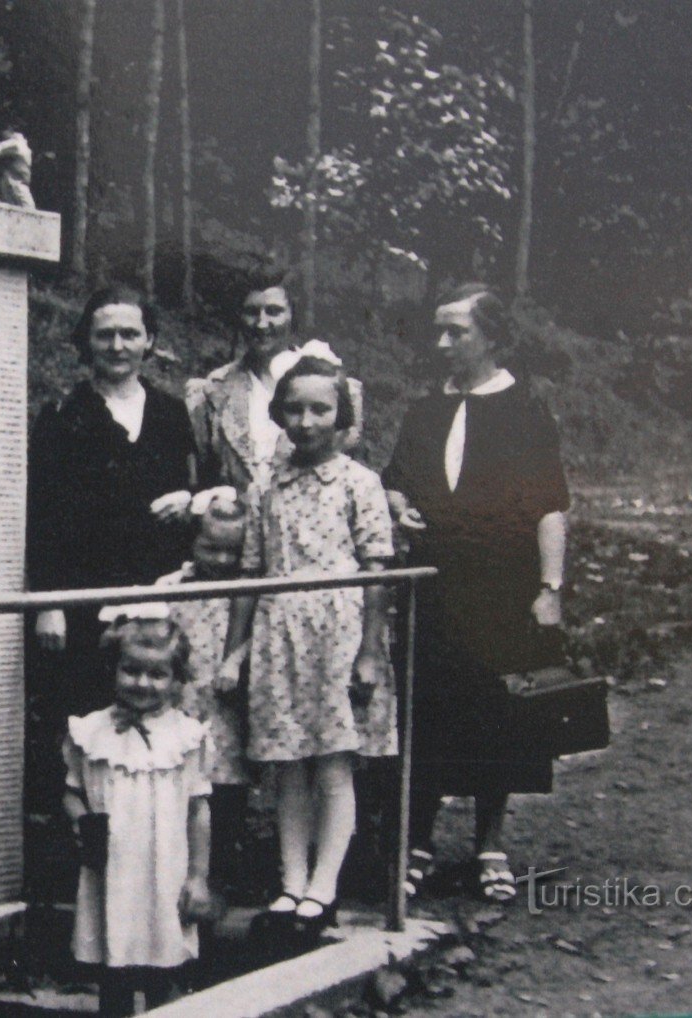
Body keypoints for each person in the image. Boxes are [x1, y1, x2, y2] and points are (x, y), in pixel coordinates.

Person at [381, 282, 571, 903]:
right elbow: (395, 481)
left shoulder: (526, 409)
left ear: (492, 336)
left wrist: (550, 588)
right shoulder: (423, 411)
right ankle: (419, 843)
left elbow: (549, 505)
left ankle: (490, 842)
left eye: (455, 332)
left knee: (498, 713)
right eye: (437, 331)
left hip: (501, 587)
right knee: (427, 711)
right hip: (432, 587)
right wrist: (399, 506)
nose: (441, 344)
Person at [25, 284, 197, 897]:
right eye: (105, 334)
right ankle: (87, 881)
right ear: (85, 343)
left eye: (130, 333)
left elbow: (203, 502)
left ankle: (160, 877)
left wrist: (194, 504)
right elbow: (40, 517)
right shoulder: (64, 417)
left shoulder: (174, 415)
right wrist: (46, 603)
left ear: (149, 341)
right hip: (82, 601)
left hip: (158, 596)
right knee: (91, 732)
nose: (118, 345)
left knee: (159, 726)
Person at [221, 347, 396, 933]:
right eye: (293, 409)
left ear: (341, 415)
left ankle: (324, 889)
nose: (307, 422)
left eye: (321, 409)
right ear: (279, 414)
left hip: (339, 634)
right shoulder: (267, 484)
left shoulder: (359, 482)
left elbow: (377, 570)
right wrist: (236, 649)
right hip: (278, 633)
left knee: (332, 766)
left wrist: (370, 650)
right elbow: (252, 571)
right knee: (286, 765)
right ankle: (291, 885)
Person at [63, 609, 213, 1016]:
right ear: (113, 669)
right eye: (131, 670)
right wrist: (81, 821)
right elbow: (72, 793)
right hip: (112, 870)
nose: (143, 683)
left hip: (165, 870)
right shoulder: (89, 732)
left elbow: (198, 810)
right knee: (114, 965)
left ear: (176, 678)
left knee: (164, 965)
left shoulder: (186, 736)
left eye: (158, 674)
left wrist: (199, 877)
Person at [187, 273, 364, 495]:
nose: (261, 324)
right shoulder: (213, 391)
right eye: (252, 312)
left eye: (274, 311)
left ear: (292, 316)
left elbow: (353, 475)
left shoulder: (328, 384)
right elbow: (200, 479)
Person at [156, 492, 252, 901]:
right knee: (179, 789)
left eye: (233, 552)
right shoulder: (172, 586)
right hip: (182, 705)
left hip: (224, 707)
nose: (222, 560)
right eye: (211, 547)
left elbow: (253, 635)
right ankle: (175, 872)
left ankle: (223, 873)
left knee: (225, 788)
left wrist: (236, 662)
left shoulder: (247, 594)